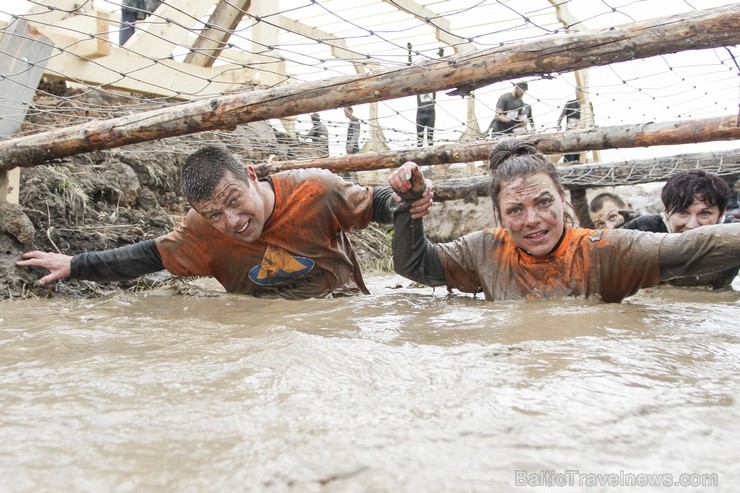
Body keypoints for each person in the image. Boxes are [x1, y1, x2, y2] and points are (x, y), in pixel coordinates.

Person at [18, 146, 432, 299]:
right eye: (214, 214)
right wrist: (75, 265)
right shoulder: (199, 233)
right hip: (261, 333)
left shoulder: (315, 190)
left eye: (234, 202)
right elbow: (149, 256)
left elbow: (376, 204)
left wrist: (403, 195)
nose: (231, 222)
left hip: (341, 310)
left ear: (251, 176)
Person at [387, 138, 740, 302]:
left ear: (564, 199)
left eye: (543, 203)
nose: (532, 220)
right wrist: (409, 206)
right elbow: (416, 265)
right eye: (515, 210)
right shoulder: (484, 249)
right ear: (499, 215)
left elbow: (693, 247)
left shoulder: (605, 250)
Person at [621, 169, 739, 289]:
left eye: (705, 214)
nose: (692, 225)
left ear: (721, 214)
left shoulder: (733, 235)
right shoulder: (645, 228)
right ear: (666, 212)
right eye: (682, 212)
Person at [556, 89, 593, 162]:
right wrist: (558, 128)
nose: (577, 92)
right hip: (569, 135)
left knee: (579, 156)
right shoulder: (570, 103)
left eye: (579, 90)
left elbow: (591, 119)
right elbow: (561, 117)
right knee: (569, 156)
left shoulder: (588, 104)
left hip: (582, 135)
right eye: (576, 90)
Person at [570, 190, 637, 229]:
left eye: (612, 217)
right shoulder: (601, 238)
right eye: (601, 224)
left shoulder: (644, 228)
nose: (609, 228)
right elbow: (578, 200)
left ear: (627, 209)